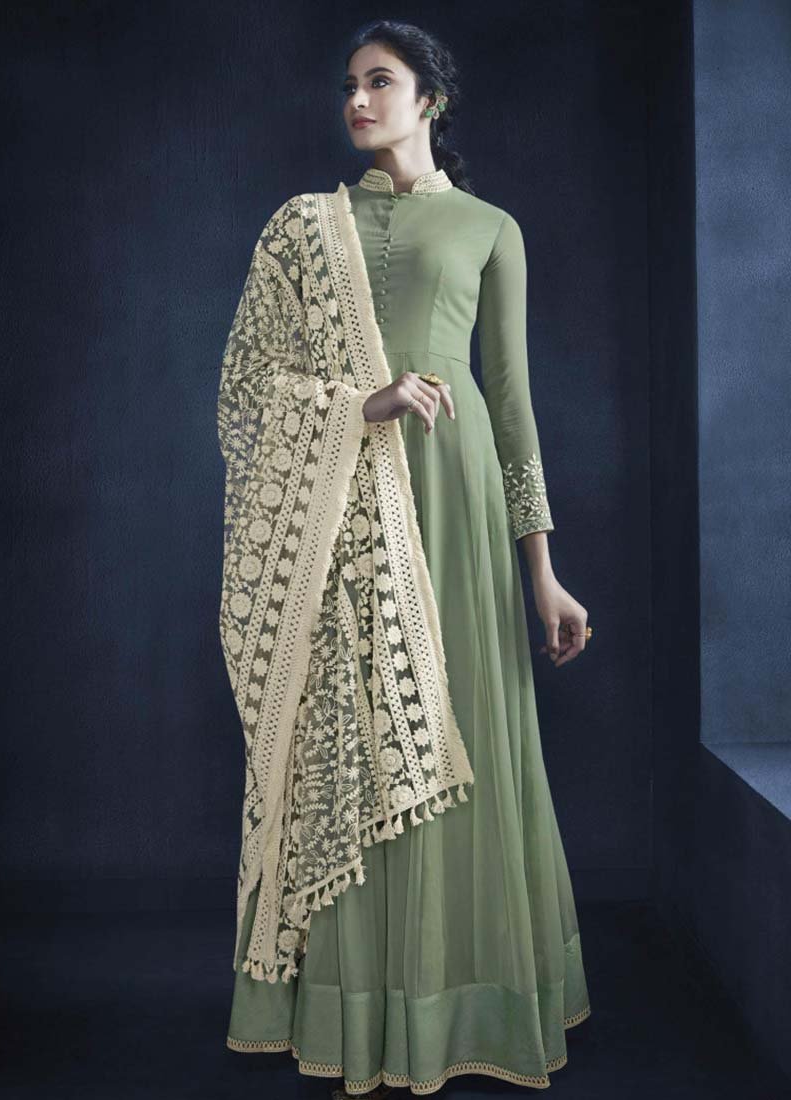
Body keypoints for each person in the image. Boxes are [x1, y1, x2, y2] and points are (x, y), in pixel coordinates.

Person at [220, 19, 592, 1098]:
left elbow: (511, 405)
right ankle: (358, 1009)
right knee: (348, 739)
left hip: (453, 500)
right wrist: (360, 406)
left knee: (461, 731)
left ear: (430, 97)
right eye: (349, 84)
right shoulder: (305, 227)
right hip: (342, 506)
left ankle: (455, 1005)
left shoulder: (488, 227)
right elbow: (248, 390)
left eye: (379, 81)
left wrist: (541, 569)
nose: (356, 100)